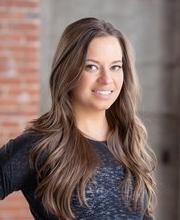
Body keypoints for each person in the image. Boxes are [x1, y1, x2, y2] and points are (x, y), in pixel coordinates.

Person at [0, 17, 157, 220]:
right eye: (91, 66)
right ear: (68, 70)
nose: (107, 79)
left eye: (115, 67)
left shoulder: (129, 141)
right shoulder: (42, 145)